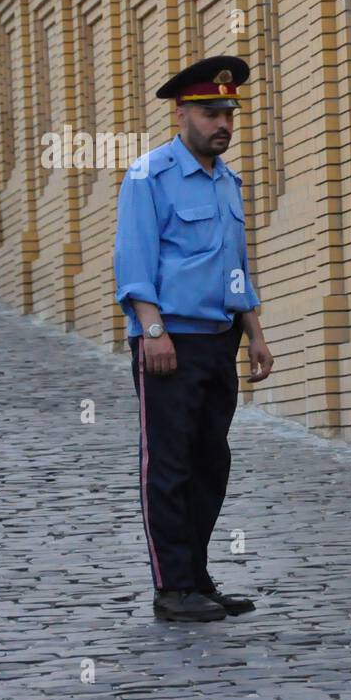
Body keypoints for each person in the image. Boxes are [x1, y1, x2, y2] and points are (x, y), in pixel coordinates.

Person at [113, 55, 274, 622]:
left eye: (229, 113)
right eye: (210, 113)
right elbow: (135, 263)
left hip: (218, 338)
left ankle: (197, 579)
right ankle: (170, 586)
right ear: (182, 113)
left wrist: (254, 332)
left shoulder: (228, 181)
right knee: (169, 463)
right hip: (169, 340)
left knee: (211, 463)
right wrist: (152, 330)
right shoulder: (148, 176)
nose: (223, 123)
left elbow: (236, 265)